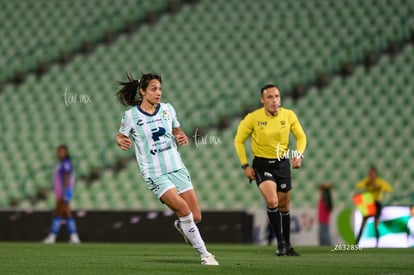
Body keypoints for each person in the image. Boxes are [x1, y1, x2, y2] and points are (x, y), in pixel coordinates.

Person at [115, 73, 218, 265]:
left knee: (195, 216)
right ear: (143, 91)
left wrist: (182, 136)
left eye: (160, 89)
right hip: (155, 173)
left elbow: (177, 131)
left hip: (176, 167)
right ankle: (206, 255)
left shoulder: (168, 109)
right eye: (154, 89)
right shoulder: (131, 116)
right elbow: (120, 136)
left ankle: (182, 225)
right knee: (184, 210)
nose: (158, 93)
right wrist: (122, 141)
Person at [234, 84, 307, 256]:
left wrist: (298, 155)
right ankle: (280, 243)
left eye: (277, 96)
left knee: (284, 206)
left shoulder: (288, 115)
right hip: (262, 165)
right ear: (262, 100)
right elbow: (238, 140)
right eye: (270, 97)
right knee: (273, 201)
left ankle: (287, 245)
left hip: (282, 164)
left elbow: (301, 136)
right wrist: (245, 165)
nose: (274, 100)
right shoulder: (253, 118)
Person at [43, 145, 80, 244]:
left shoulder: (66, 163)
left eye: (62, 151)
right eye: (59, 151)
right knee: (65, 213)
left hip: (63, 192)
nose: (59, 153)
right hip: (61, 192)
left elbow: (67, 176)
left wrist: (65, 192)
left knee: (59, 213)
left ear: (66, 153)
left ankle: (52, 237)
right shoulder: (61, 163)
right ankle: (74, 236)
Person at [355, 166, 392, 246]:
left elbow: (389, 189)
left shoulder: (379, 182)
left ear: (376, 174)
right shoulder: (367, 181)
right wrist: (366, 183)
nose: (371, 175)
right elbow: (358, 186)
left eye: (372, 173)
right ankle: (356, 243)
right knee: (363, 222)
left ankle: (377, 244)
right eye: (370, 174)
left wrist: (379, 187)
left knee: (376, 224)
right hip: (368, 203)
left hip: (377, 203)